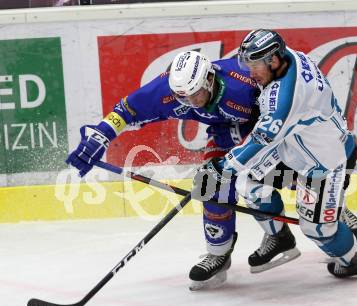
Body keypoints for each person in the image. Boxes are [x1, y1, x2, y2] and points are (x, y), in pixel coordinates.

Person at [66, 50, 262, 290]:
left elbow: (279, 114)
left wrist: (244, 140)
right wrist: (100, 137)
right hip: (223, 131)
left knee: (273, 179)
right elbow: (125, 111)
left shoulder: (242, 82)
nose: (191, 102)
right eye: (183, 97)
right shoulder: (166, 91)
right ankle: (218, 253)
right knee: (211, 184)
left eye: (195, 94)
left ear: (209, 79)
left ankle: (311, 233)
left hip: (264, 133)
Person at [193, 29, 357, 279]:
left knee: (318, 230)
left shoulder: (287, 98)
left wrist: (222, 167)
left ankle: (351, 261)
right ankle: (280, 237)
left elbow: (262, 137)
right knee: (247, 182)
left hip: (323, 162)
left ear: (273, 60)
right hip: (293, 145)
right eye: (247, 63)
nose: (250, 72)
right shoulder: (288, 57)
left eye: (255, 65)